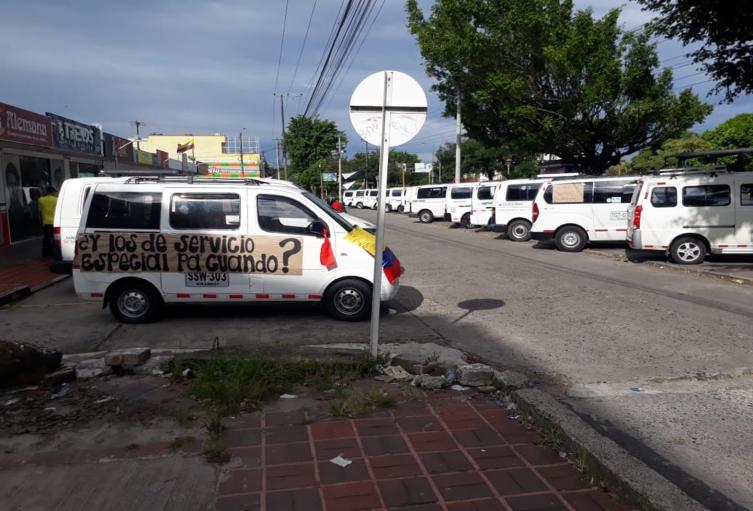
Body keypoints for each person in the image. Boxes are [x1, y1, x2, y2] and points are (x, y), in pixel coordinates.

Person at [38, 186, 58, 257]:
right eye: (54, 192)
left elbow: (40, 212)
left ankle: (45, 253)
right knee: (54, 238)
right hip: (55, 222)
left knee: (46, 238)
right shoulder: (56, 200)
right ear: (52, 192)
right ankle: (53, 253)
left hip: (46, 223)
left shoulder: (41, 200)